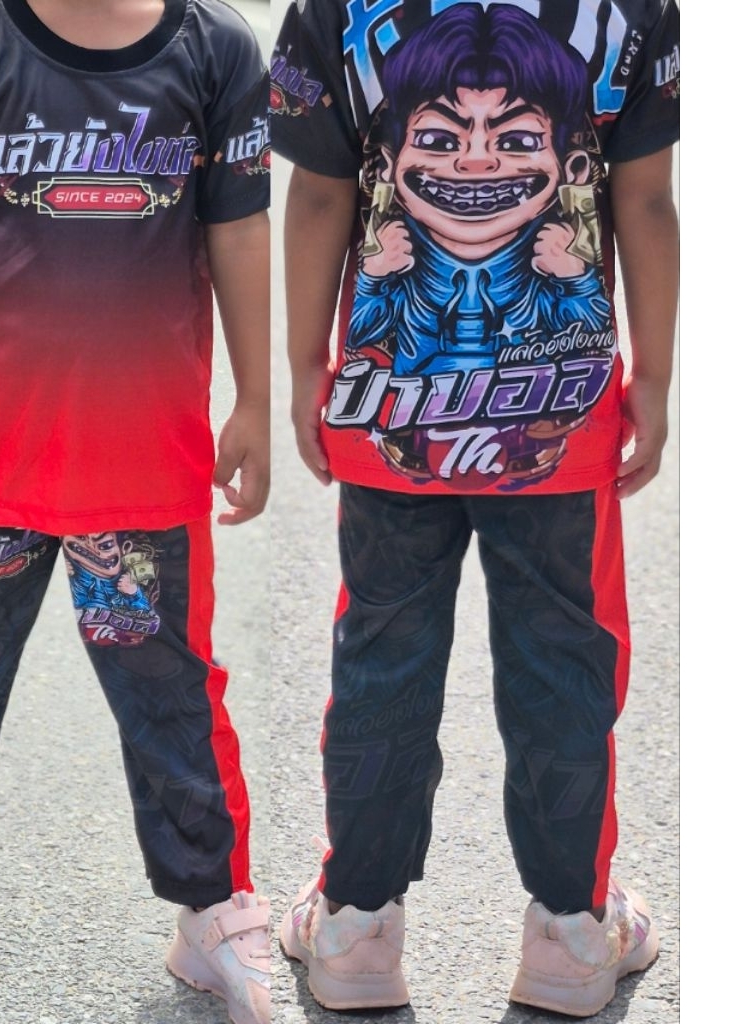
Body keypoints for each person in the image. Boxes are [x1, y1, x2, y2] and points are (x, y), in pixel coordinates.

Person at [0, 2, 272, 1022]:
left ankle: (212, 911)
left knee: (171, 692)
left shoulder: (216, 51)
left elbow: (238, 228)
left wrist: (256, 401)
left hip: (142, 457)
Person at [270, 0, 679, 1016]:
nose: (477, 160)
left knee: (382, 658)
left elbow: (317, 195)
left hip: (390, 411)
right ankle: (572, 933)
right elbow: (646, 202)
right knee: (563, 663)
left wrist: (306, 365)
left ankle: (357, 927)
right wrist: (656, 380)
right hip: (559, 420)